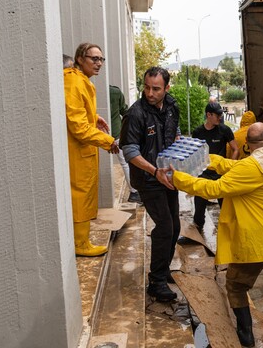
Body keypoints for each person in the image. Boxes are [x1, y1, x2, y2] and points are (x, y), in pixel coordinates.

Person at [169, 122, 263, 348]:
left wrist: (177, 179)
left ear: (247, 145)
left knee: (237, 286)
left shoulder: (246, 169)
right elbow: (235, 166)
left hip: (254, 244)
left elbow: (213, 189)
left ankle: (246, 335)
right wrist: (209, 159)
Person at [119, 66, 180, 302]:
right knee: (164, 226)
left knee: (174, 225)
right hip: (148, 178)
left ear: (166, 88)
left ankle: (163, 270)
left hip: (167, 175)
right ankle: (156, 282)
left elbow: (174, 133)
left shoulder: (171, 107)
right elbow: (130, 150)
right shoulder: (136, 114)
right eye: (146, 87)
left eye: (156, 88)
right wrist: (154, 171)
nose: (150, 93)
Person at [64, 43, 119, 257]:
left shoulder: (81, 81)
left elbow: (77, 110)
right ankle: (80, 244)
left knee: (85, 192)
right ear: (79, 58)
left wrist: (94, 117)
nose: (98, 64)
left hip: (84, 149)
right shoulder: (73, 81)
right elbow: (77, 125)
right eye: (93, 58)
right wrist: (107, 141)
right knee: (81, 194)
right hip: (78, 150)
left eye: (101, 59)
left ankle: (82, 240)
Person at [191, 101, 238, 230]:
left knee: (226, 207)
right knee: (199, 206)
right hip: (204, 174)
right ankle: (198, 228)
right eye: (217, 115)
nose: (220, 118)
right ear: (209, 115)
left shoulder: (224, 130)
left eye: (220, 115)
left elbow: (236, 149)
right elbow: (194, 153)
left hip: (221, 175)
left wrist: (230, 167)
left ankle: (230, 231)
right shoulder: (198, 132)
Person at [109, 84, 141, 204]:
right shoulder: (115, 92)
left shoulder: (92, 89)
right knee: (125, 163)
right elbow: (125, 111)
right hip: (116, 133)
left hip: (97, 134)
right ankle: (134, 192)